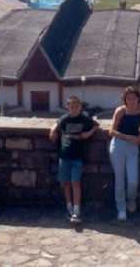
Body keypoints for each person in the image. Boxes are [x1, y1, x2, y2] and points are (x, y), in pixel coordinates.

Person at [49, 95, 98, 224]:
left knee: (75, 183)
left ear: (80, 107)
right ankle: (69, 208)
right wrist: (53, 129)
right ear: (67, 107)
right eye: (71, 106)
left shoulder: (84, 118)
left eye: (77, 106)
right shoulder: (64, 119)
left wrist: (89, 133)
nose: (74, 108)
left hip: (77, 157)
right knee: (65, 183)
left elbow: (96, 124)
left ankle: (77, 211)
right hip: (64, 156)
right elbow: (57, 123)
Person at [108, 86, 140, 221]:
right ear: (125, 99)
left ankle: (131, 200)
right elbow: (111, 131)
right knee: (119, 179)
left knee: (133, 180)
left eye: (133, 98)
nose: (131, 101)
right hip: (118, 145)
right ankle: (121, 208)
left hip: (133, 147)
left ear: (139, 98)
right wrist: (127, 137)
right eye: (128, 98)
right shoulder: (121, 111)